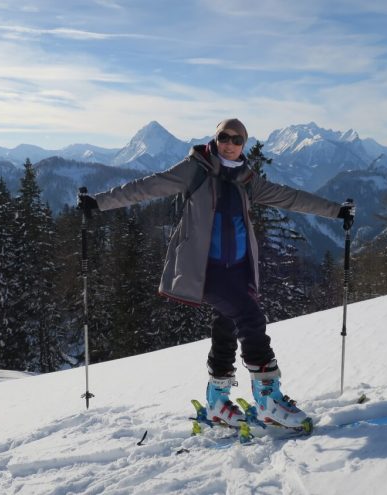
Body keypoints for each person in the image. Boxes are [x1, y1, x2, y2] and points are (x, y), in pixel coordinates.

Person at [78, 118, 355, 429]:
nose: (230, 144)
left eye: (237, 140)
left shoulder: (247, 179)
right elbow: (147, 187)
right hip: (203, 269)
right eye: (225, 136)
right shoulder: (194, 169)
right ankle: (268, 398)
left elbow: (290, 197)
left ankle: (217, 401)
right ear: (216, 137)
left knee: (226, 324)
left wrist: (336, 211)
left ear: (243, 145)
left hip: (237, 268)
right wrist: (98, 203)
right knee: (250, 318)